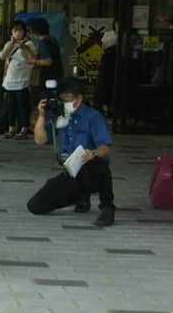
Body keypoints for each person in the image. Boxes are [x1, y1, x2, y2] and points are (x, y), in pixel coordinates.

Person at [28, 78, 116, 227]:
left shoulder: (93, 117)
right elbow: (40, 140)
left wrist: (93, 153)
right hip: (71, 171)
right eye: (61, 100)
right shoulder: (60, 115)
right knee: (35, 206)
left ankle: (107, 207)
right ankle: (79, 196)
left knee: (100, 163)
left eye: (67, 99)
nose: (64, 103)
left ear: (79, 98)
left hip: (92, 169)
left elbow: (105, 148)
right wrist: (42, 115)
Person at [0, 20, 36, 139]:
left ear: (24, 32)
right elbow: (3, 56)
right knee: (11, 105)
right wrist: (11, 43)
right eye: (15, 30)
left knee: (22, 106)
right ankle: (11, 129)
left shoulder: (29, 44)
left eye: (20, 30)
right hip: (10, 80)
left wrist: (24, 47)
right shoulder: (9, 44)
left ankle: (24, 128)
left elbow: (32, 59)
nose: (18, 33)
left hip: (23, 79)